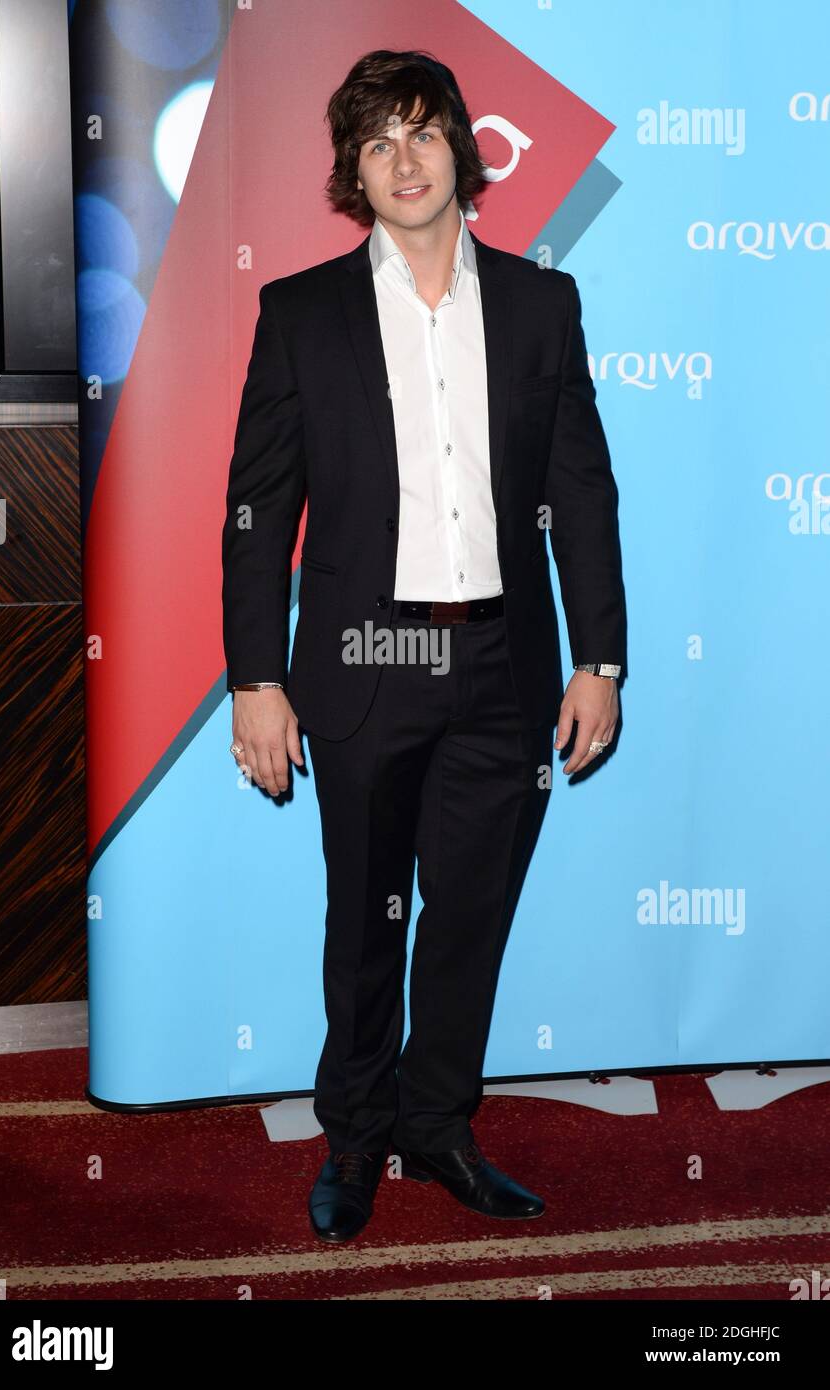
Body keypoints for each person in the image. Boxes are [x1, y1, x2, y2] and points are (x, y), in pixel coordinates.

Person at [221, 49, 626, 1243]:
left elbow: (581, 488)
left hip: (501, 666)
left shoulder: (542, 304)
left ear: (465, 148)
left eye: (421, 133)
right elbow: (258, 508)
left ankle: (439, 1123)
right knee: (367, 914)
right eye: (376, 144)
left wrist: (599, 658)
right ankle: (353, 1135)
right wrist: (256, 678)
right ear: (355, 171)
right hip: (359, 658)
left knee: (467, 916)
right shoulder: (301, 312)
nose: (403, 161)